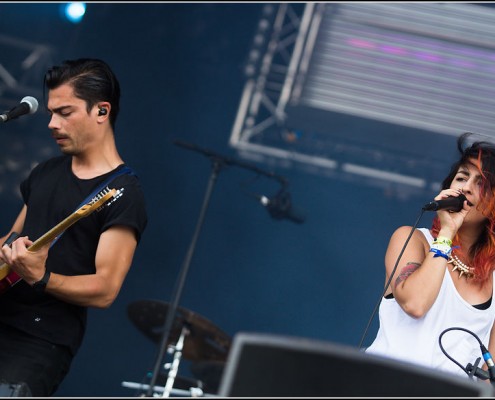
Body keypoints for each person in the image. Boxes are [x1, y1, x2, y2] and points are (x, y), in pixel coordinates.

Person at [0, 58, 147, 396]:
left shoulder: (123, 193)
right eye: (51, 113)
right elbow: (11, 238)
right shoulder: (48, 170)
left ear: (101, 111)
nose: (52, 124)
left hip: (37, 341)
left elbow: (106, 289)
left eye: (64, 113)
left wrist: (44, 277)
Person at [366, 132, 495, 382]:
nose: (466, 187)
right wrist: (447, 232)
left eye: (481, 183)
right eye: (461, 177)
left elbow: (489, 376)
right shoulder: (413, 240)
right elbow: (415, 304)